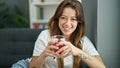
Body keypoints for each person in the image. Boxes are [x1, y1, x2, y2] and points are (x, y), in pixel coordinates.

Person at [29, 0, 106, 68]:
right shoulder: (45, 36)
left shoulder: (82, 40)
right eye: (63, 17)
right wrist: (44, 54)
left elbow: (101, 67)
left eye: (73, 19)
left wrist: (77, 51)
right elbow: (32, 67)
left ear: (78, 22)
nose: (67, 23)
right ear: (57, 19)